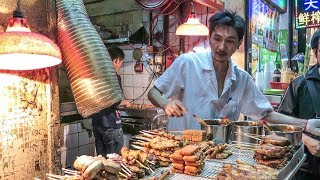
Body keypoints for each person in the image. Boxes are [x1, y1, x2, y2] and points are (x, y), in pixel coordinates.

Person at [147, 10, 320, 136]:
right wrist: (165, 104)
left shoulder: (242, 79)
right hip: (183, 153)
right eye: (217, 39)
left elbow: (266, 114)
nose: (221, 47)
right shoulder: (187, 63)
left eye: (229, 41)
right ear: (209, 37)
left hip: (220, 156)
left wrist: (305, 124)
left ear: (239, 43)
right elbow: (153, 92)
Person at [278, 29, 320, 179]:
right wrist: (306, 139)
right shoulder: (299, 85)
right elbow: (279, 129)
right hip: (305, 170)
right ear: (316, 52)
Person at [91, 46, 130, 156]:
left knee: (102, 161)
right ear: (116, 60)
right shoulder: (113, 76)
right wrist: (126, 102)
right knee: (114, 162)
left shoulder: (96, 76)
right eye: (121, 62)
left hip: (97, 124)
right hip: (110, 124)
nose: (120, 65)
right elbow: (115, 100)